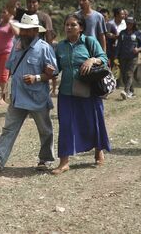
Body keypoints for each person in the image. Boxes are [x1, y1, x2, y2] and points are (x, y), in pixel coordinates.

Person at [0, 14, 57, 172]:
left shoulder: (44, 48)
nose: (24, 33)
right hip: (18, 96)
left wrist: (37, 77)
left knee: (45, 130)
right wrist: (6, 90)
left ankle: (46, 160)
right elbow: (11, 69)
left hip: (37, 97)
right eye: (23, 30)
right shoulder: (16, 45)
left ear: (36, 31)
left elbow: (52, 73)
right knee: (9, 128)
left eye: (28, 30)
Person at [51, 14, 111, 174]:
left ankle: (99, 150)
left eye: (73, 25)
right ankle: (64, 162)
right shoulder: (61, 46)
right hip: (66, 92)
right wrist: (50, 71)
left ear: (81, 28)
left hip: (88, 91)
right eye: (67, 25)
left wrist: (92, 60)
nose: (69, 27)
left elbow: (104, 58)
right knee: (65, 125)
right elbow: (56, 68)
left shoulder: (89, 41)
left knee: (93, 121)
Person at [115, 17, 141, 99]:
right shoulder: (122, 33)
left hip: (133, 58)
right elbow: (119, 45)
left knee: (129, 73)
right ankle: (131, 92)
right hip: (122, 57)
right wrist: (116, 57)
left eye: (131, 23)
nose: (129, 25)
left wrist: (138, 49)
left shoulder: (138, 33)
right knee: (124, 75)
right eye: (127, 23)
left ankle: (126, 91)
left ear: (134, 24)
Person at [0, 8, 15, 105]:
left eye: (4, 12)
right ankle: (7, 92)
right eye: (2, 11)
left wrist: (11, 21)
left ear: (9, 14)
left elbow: (17, 34)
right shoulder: (0, 23)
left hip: (7, 52)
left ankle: (3, 97)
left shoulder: (12, 24)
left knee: (3, 76)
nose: (2, 13)